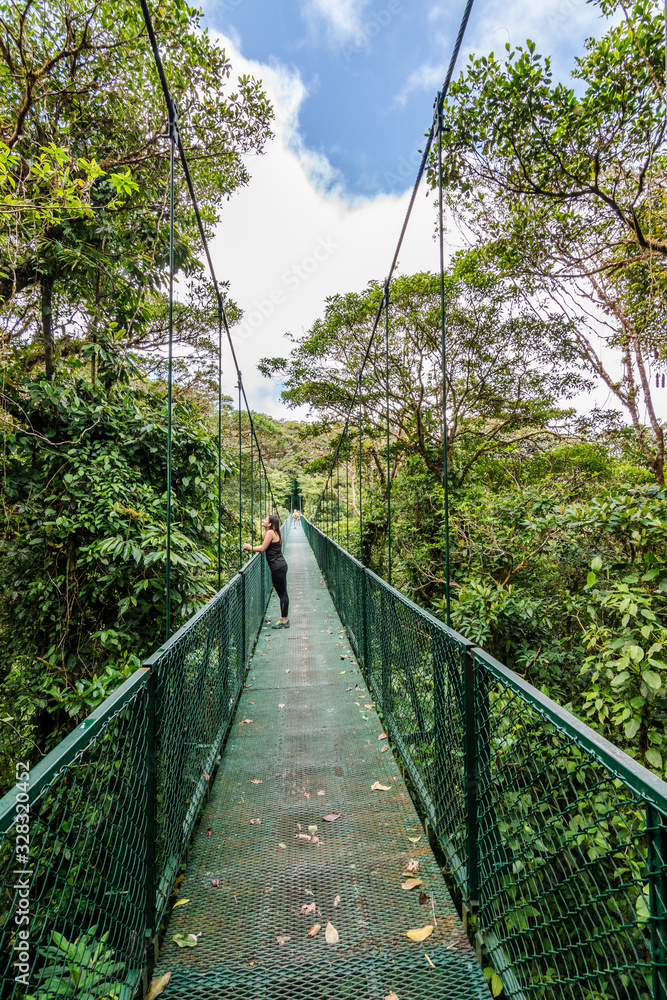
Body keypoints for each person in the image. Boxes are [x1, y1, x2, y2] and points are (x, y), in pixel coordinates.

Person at [243, 515, 289, 628]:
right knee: (283, 594)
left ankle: (284, 621)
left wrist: (250, 547)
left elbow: (263, 548)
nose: (263, 520)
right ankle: (284, 619)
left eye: (265, 519)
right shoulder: (274, 532)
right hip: (280, 566)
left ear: (269, 524)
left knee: (282, 594)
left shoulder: (270, 533)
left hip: (278, 568)